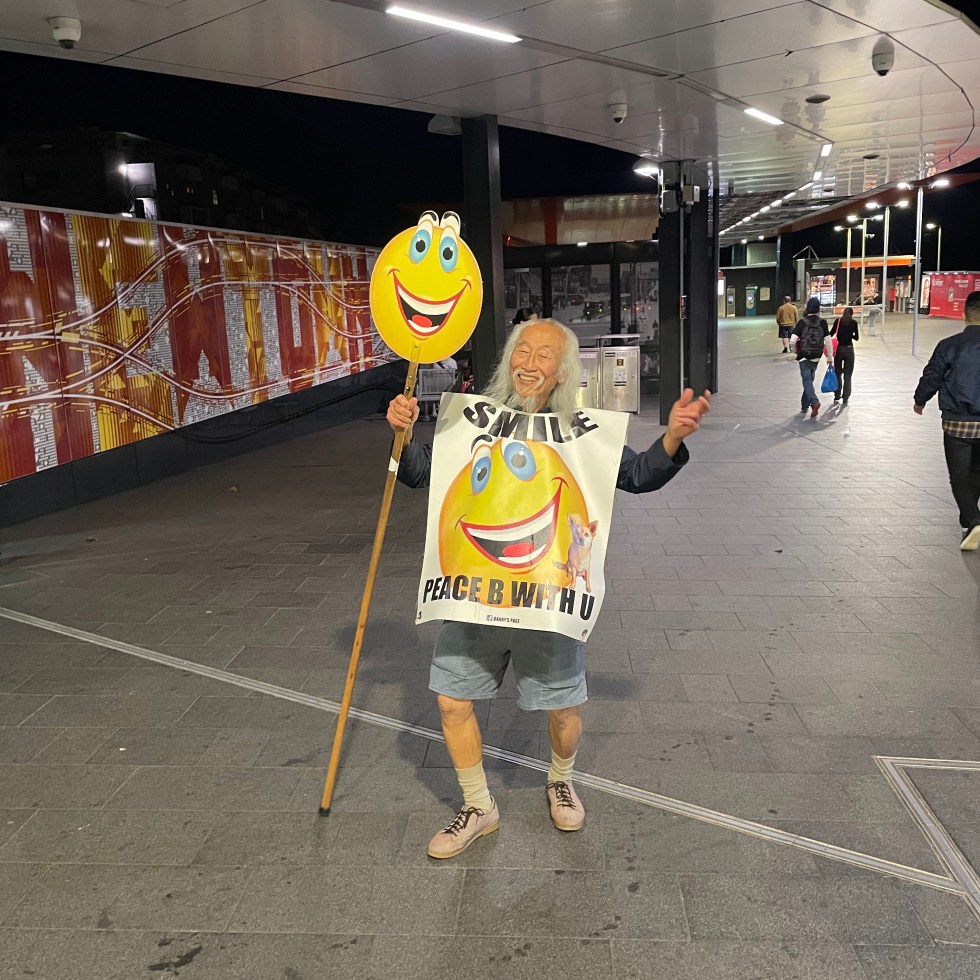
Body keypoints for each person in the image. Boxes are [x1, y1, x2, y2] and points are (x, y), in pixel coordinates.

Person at [387, 318, 711, 858]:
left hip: (548, 598)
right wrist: (400, 435)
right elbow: (419, 472)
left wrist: (672, 437)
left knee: (562, 709)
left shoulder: (582, 433)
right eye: (523, 351)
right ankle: (478, 806)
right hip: (475, 594)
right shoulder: (471, 420)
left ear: (562, 372)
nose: (529, 363)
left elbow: (637, 476)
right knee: (450, 700)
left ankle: (560, 779)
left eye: (544, 355)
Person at [913, 290, 980, 550]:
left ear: (965, 315)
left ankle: (973, 521)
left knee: (959, 475)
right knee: (977, 472)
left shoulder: (949, 345)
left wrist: (920, 399)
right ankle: (968, 519)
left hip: (957, 422)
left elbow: (933, 376)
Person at [790, 297, 834, 418]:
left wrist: (796, 351)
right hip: (817, 356)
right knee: (809, 380)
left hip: (804, 356)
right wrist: (830, 357)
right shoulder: (822, 322)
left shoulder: (802, 322)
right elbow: (828, 341)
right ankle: (804, 405)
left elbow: (792, 340)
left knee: (807, 381)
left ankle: (814, 402)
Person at [831, 306, 859, 405]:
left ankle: (837, 395)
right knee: (848, 375)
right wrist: (850, 335)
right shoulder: (854, 323)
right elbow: (857, 338)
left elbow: (831, 333)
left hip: (839, 349)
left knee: (838, 373)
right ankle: (846, 397)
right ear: (852, 314)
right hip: (849, 350)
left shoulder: (838, 321)